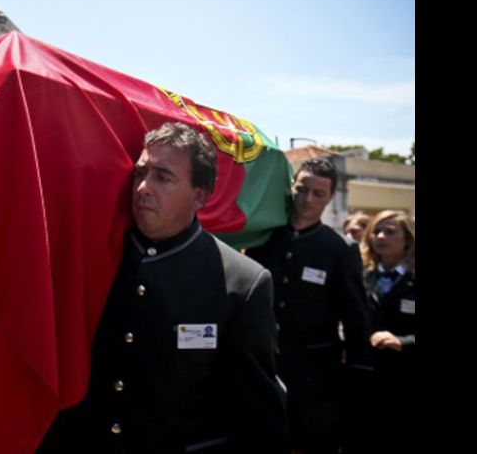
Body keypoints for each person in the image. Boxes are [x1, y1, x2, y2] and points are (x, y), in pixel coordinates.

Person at [39, 122, 288, 453]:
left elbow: (258, 416)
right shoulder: (97, 257)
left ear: (199, 195)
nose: (143, 187)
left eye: (163, 177)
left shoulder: (241, 283)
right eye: (140, 173)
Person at [245, 158, 373, 454]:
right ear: (292, 187)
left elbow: (356, 317)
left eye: (318, 194)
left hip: (314, 377)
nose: (307, 199)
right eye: (302, 189)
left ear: (330, 198)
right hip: (262, 364)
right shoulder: (263, 237)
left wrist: (360, 372)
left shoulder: (340, 249)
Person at [360, 210, 415, 453]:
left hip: (405, 382)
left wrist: (402, 341)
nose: (380, 236)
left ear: (408, 240)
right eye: (376, 232)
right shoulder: (362, 275)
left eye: (390, 232)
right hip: (365, 379)